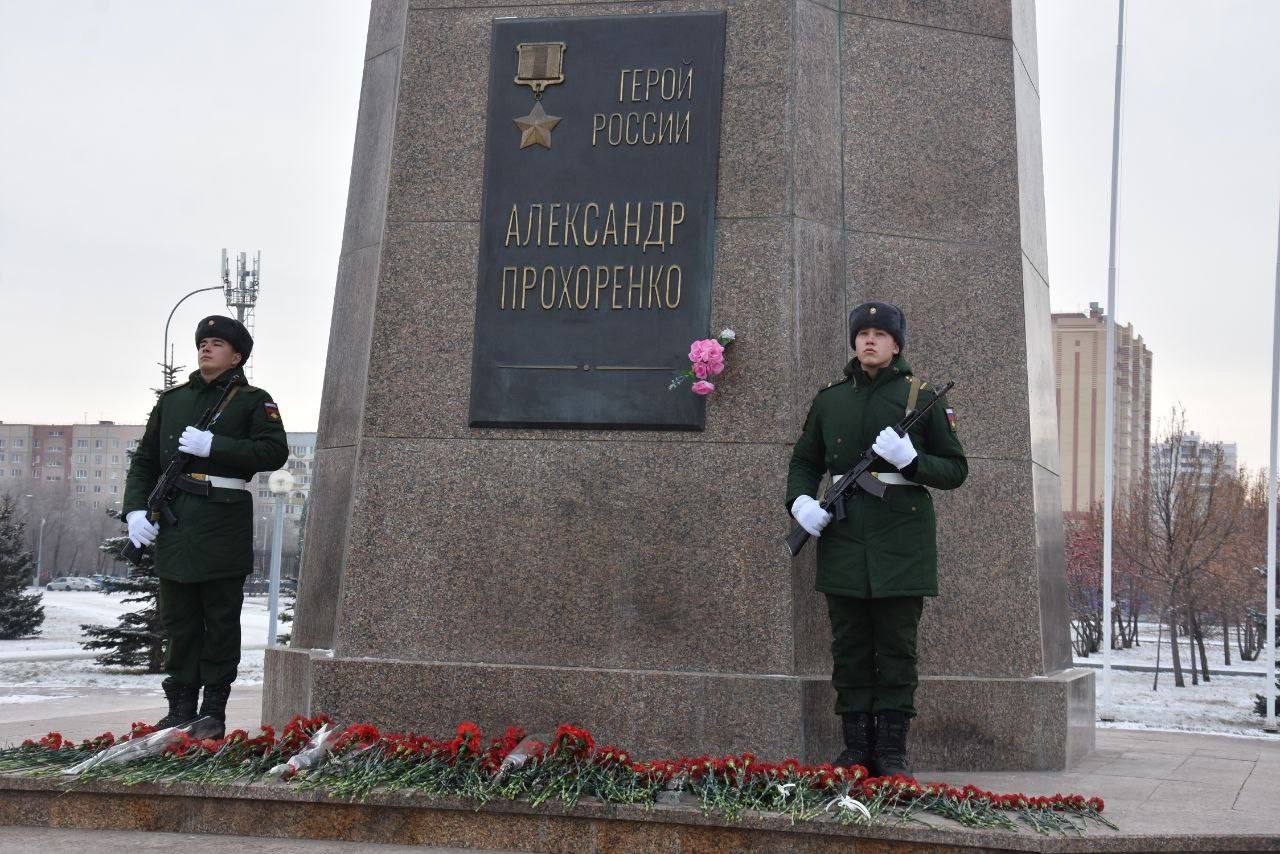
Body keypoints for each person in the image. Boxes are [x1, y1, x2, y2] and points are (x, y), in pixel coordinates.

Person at [786, 301, 966, 776]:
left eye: (880, 334)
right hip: (844, 537)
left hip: (901, 542)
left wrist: (912, 461)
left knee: (895, 648)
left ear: (896, 344)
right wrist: (801, 503)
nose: (869, 340)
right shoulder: (830, 399)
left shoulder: (920, 398)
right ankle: (855, 747)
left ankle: (890, 750)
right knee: (848, 647)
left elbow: (955, 469)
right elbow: (806, 460)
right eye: (862, 332)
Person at [123, 316, 288, 737]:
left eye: (217, 343)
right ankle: (180, 708)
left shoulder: (253, 400)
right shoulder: (173, 401)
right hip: (176, 524)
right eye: (203, 342)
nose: (206, 348)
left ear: (237, 355)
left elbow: (274, 451)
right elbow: (144, 461)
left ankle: (212, 709)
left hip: (220, 519)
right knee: (178, 618)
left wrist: (217, 445)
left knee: (219, 618)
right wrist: (136, 512)